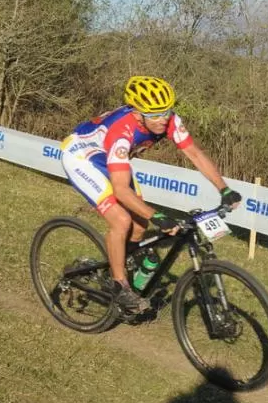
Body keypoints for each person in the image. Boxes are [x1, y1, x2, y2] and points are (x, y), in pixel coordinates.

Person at [60, 76, 242, 312]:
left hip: (109, 157)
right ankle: (119, 284)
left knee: (140, 225)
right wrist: (159, 216)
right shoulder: (122, 132)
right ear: (137, 114)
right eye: (154, 115)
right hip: (81, 156)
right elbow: (121, 191)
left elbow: (195, 154)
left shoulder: (170, 120)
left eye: (166, 112)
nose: (162, 119)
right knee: (122, 220)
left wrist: (224, 188)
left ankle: (123, 260)